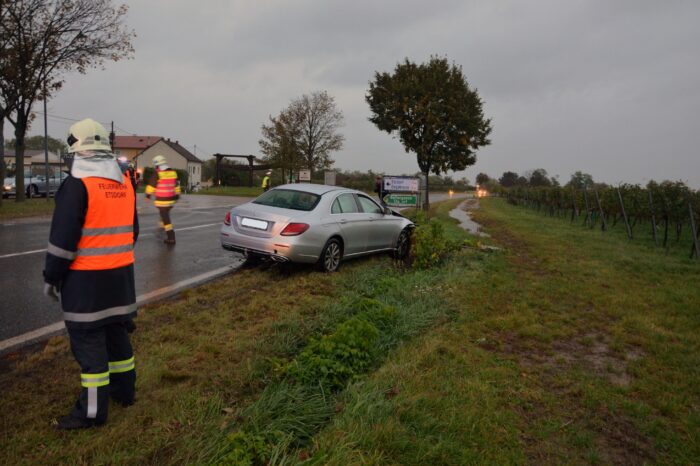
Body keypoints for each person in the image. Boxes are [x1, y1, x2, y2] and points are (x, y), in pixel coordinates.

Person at [43, 118, 138, 430]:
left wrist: (51, 276)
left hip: (86, 285)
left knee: (90, 347)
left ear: (75, 146)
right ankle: (125, 393)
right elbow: (132, 232)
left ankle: (91, 414)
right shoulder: (124, 181)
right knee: (117, 338)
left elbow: (63, 241)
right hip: (121, 280)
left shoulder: (76, 184)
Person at [145, 155, 180, 245]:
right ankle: (161, 225)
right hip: (171, 200)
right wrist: (177, 195)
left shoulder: (157, 173)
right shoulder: (173, 173)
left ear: (157, 165)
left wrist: (148, 195)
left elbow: (151, 186)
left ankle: (171, 237)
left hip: (162, 201)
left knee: (166, 219)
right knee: (165, 214)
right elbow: (176, 185)